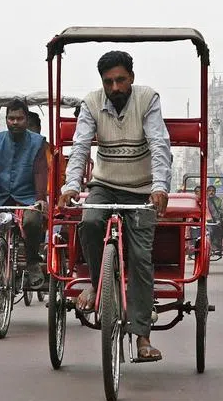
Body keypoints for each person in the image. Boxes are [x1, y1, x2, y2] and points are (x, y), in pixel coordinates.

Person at [58, 50, 171, 363]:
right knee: (90, 222)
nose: (115, 87)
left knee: (139, 258)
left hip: (142, 189)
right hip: (104, 185)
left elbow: (159, 143)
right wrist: (70, 185)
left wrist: (160, 186)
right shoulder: (92, 103)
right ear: (102, 83)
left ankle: (143, 336)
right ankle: (97, 285)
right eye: (109, 82)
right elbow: (80, 146)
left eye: (121, 80)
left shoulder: (147, 99)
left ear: (131, 78)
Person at [0, 99, 48, 291]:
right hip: (2, 198)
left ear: (26, 120)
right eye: (11, 118)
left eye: (19, 118)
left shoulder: (37, 142)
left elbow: (40, 171)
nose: (15, 122)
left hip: (27, 198)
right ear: (6, 120)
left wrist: (41, 198)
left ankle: (33, 262)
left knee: (32, 222)